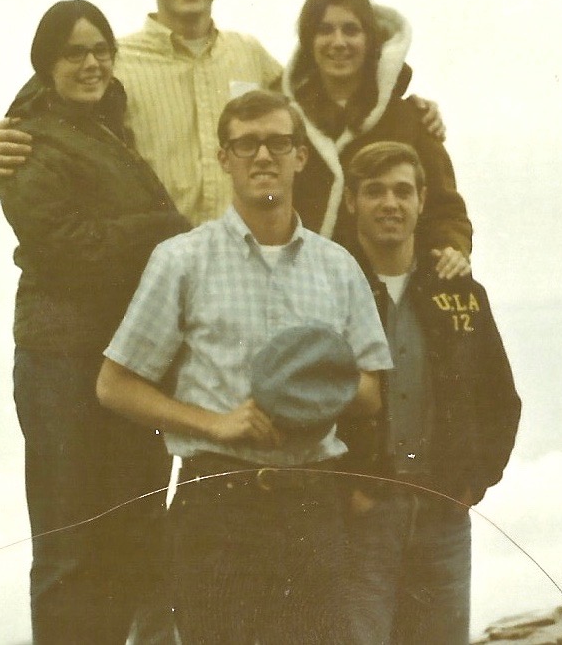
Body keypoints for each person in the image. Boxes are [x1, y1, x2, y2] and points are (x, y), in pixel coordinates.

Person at [95, 89, 394, 644]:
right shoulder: (182, 259)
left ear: (301, 156)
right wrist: (215, 424)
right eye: (246, 144)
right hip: (217, 506)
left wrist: (301, 388)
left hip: (311, 503)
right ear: (224, 158)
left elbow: (371, 391)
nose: (263, 156)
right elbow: (115, 385)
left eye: (279, 143)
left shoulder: (339, 266)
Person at [0, 0, 445, 222]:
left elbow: (327, 105)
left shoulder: (251, 56)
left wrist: (408, 104)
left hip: (242, 271)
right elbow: (41, 120)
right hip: (151, 270)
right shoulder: (110, 60)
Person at [0, 0, 190, 645]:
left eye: (101, 50)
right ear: (46, 64)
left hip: (124, 361)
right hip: (60, 362)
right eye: (74, 53)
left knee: (129, 539)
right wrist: (162, 229)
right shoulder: (27, 140)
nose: (91, 64)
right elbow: (68, 249)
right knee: (69, 546)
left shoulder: (106, 126)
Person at [338, 141, 522, 645]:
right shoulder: (330, 289)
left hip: (443, 518)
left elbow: (501, 401)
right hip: (360, 518)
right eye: (375, 191)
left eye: (403, 191)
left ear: (422, 200)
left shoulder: (460, 294)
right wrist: (345, 490)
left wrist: (472, 484)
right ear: (351, 201)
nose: (390, 204)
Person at [282, 0, 472, 278]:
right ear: (308, 41)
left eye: (351, 30)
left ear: (370, 40)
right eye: (324, 30)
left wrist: (452, 248)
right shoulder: (284, 120)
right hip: (304, 283)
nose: (338, 42)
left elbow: (445, 209)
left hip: (391, 285)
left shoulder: (411, 120)